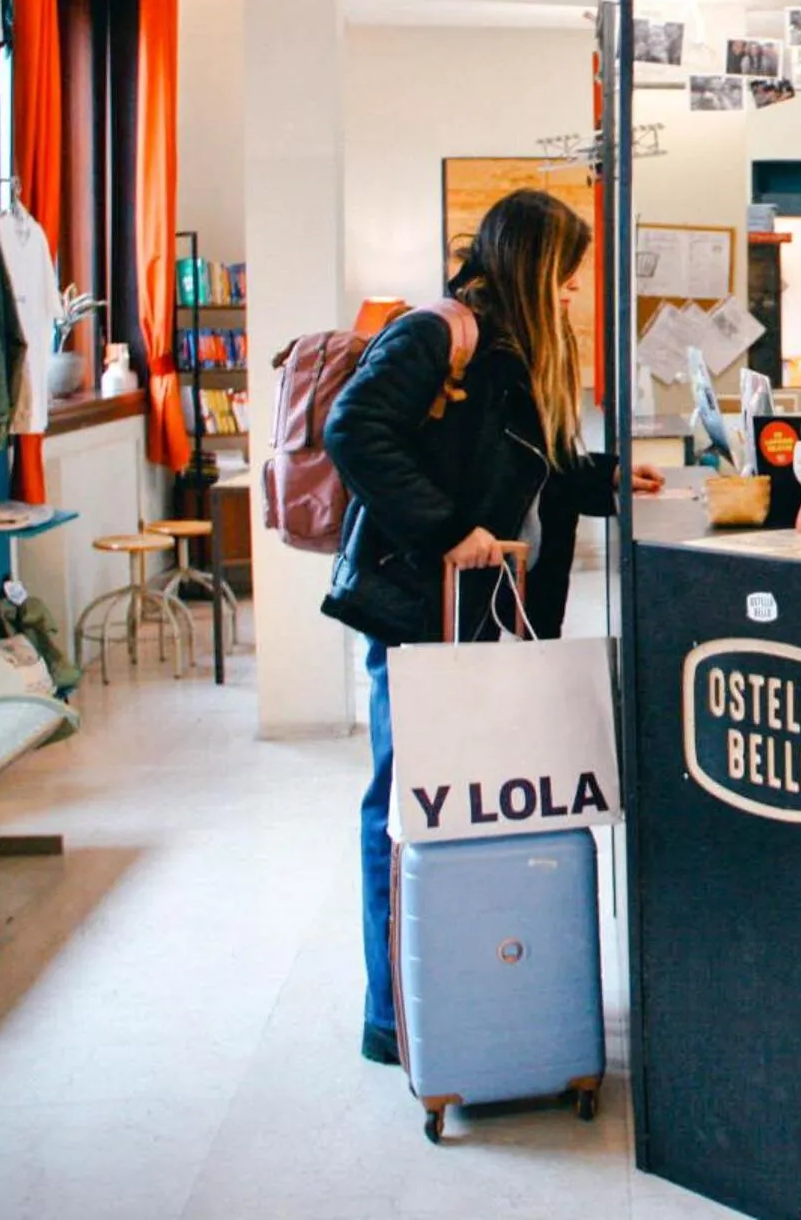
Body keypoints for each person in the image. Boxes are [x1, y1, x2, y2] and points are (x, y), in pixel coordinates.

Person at [321, 187, 661, 1066]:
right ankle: (397, 1016)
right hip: (421, 608)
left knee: (460, 804)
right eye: (564, 275)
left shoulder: (516, 345)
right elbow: (352, 428)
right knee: (406, 806)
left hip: (487, 615)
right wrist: (448, 533)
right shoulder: (439, 332)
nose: (572, 293)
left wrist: (616, 481)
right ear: (529, 263)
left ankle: (467, 985)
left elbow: (538, 461)